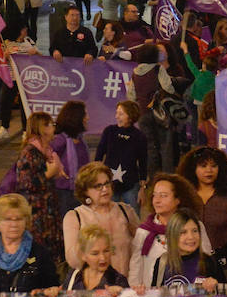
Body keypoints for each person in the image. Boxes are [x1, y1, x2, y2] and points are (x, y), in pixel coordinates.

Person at [177, 146, 227, 281]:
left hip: (226, 264)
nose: (208, 170)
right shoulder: (184, 196)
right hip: (192, 264)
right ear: (193, 169)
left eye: (214, 166)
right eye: (203, 166)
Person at [129, 173, 208, 286]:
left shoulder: (195, 226)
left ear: (178, 199)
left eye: (163, 195)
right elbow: (135, 268)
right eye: (154, 195)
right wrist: (135, 293)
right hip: (152, 296)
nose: (157, 200)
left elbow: (206, 260)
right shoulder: (144, 232)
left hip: (192, 295)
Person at [63, 161, 139, 275]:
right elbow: (73, 261)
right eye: (98, 186)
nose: (105, 189)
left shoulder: (125, 211)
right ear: (85, 191)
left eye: (107, 183)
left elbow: (142, 246)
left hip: (127, 284)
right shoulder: (74, 217)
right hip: (93, 287)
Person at [15, 112, 66, 265]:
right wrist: (48, 174)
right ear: (41, 128)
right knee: (40, 255)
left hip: (48, 211)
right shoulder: (30, 152)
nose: (53, 128)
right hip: (37, 213)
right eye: (50, 124)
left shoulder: (46, 151)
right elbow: (25, 183)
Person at [95, 100, 147, 209]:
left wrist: (142, 189)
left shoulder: (139, 136)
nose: (117, 116)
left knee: (133, 217)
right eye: (117, 113)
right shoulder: (109, 131)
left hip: (130, 184)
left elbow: (143, 162)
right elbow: (99, 155)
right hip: (109, 184)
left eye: (121, 114)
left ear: (131, 116)